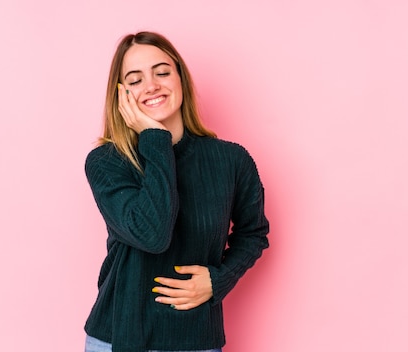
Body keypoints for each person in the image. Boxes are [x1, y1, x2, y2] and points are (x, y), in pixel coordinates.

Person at [83, 31, 269, 352]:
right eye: (136, 79)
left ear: (180, 78)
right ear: (122, 94)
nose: (152, 85)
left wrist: (218, 280)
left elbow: (253, 233)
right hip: (118, 337)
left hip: (196, 339)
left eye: (162, 72)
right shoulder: (107, 162)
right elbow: (152, 234)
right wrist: (156, 138)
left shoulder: (231, 159)